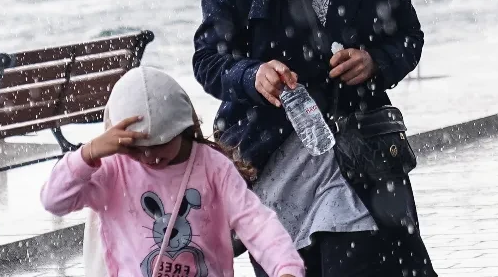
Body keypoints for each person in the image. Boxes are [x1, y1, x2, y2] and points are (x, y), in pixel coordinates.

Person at [193, 0, 436, 277]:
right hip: (271, 167)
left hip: (358, 162)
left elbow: (408, 37)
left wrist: (374, 63)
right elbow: (209, 60)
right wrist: (253, 76)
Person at [41, 66, 304, 277]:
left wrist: (286, 267)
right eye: (137, 147)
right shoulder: (113, 169)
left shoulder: (212, 166)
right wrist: (88, 153)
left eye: (160, 143)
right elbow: (54, 200)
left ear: (183, 127)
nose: (149, 156)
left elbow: (255, 222)